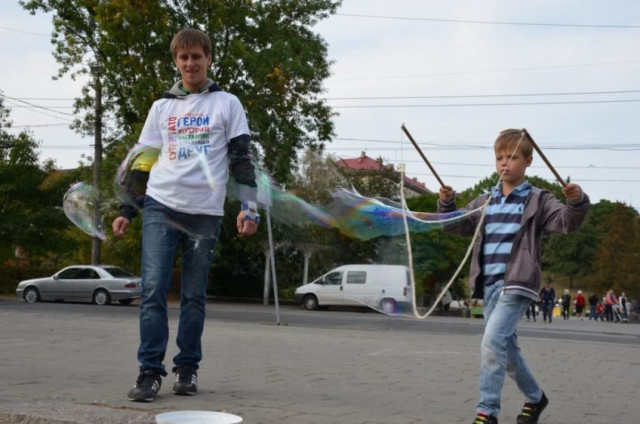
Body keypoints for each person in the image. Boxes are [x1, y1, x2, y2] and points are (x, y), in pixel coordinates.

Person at [112, 28, 260, 402]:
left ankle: (187, 368)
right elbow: (143, 162)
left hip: (205, 213)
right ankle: (149, 372)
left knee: (193, 296)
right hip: (161, 205)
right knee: (152, 290)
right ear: (176, 62)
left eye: (196, 56)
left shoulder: (227, 103)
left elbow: (242, 160)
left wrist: (249, 208)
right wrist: (128, 209)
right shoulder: (162, 108)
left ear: (208, 58)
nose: (190, 63)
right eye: (183, 57)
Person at [437, 128, 589, 424]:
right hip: (488, 285)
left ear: (528, 161)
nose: (505, 163)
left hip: (517, 283)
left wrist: (577, 201)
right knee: (505, 349)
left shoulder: (538, 199)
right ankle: (535, 397)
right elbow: (454, 225)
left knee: (491, 343)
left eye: (513, 157)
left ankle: (486, 412)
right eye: (500, 158)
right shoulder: (485, 201)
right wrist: (447, 203)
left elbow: (567, 222)